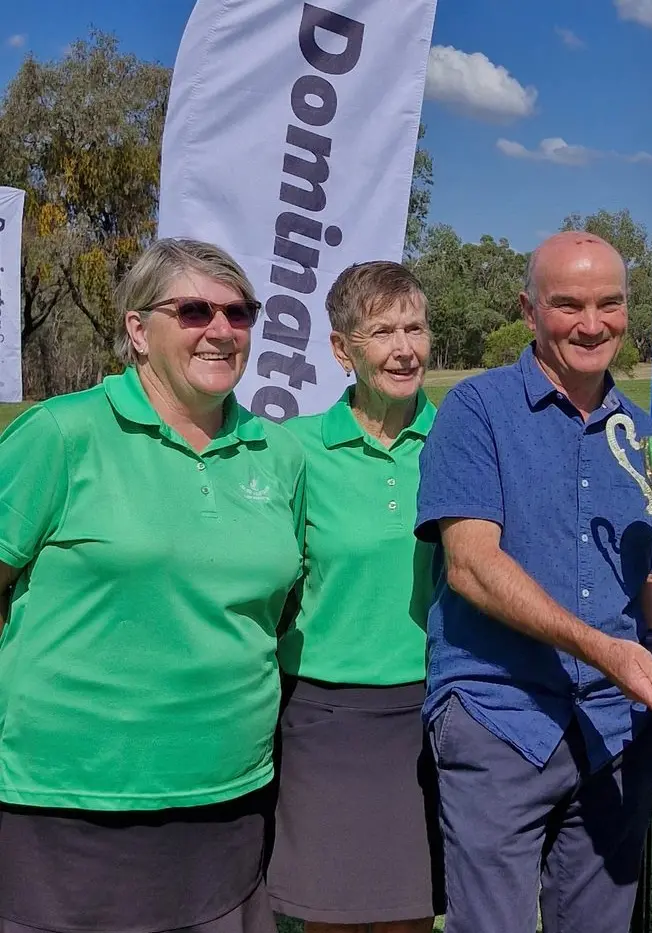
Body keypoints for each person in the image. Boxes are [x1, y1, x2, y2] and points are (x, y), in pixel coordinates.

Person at [415, 231, 652, 933]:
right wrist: (608, 651)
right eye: (568, 304)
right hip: (498, 716)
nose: (592, 323)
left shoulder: (644, 434)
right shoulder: (476, 411)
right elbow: (472, 564)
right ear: (529, 308)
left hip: (614, 732)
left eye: (610, 303)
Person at [0, 239, 305, 933]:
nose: (221, 330)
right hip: (68, 801)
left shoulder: (278, 453)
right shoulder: (61, 433)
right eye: (194, 309)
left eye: (240, 311)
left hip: (227, 797)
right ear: (139, 329)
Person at [266, 261, 443, 932]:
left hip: (430, 707)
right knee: (333, 914)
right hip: (323, 715)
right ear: (343, 349)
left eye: (415, 327)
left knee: (408, 913)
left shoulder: (460, 439)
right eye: (381, 332)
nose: (404, 348)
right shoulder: (294, 448)